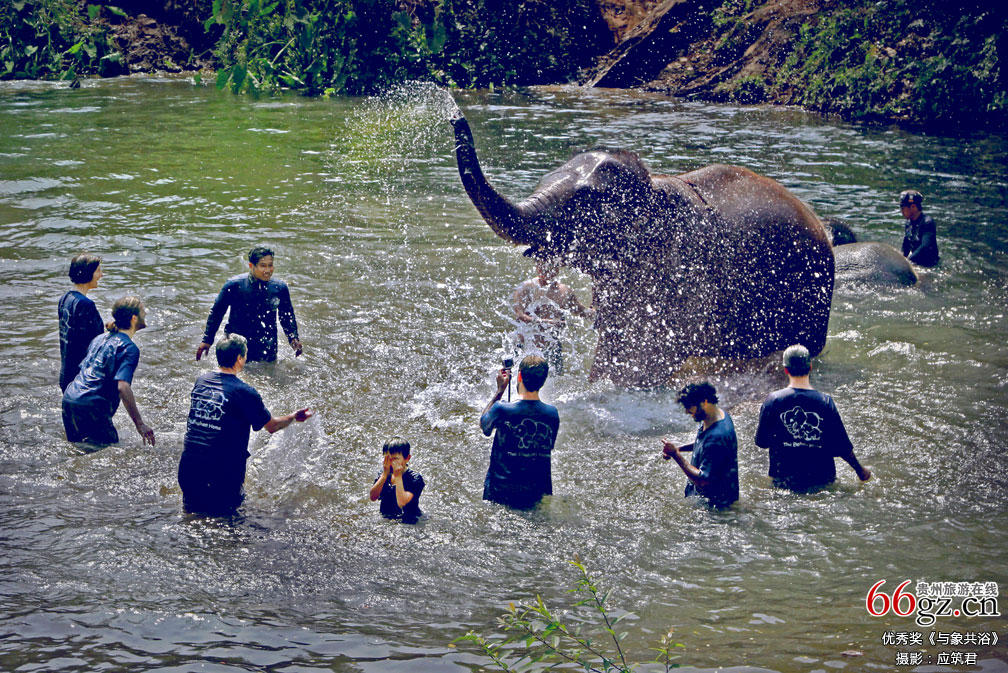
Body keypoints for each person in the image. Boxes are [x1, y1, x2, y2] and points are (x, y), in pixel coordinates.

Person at [178, 334, 312, 515]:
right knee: (228, 521)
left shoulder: (201, 382)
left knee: (191, 516)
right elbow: (272, 426)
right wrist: (294, 416)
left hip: (188, 468)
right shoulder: (244, 392)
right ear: (239, 358)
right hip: (222, 474)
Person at [754, 344, 872, 491]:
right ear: (810, 367)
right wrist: (860, 471)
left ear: (785, 370)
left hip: (784, 481)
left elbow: (762, 442)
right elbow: (842, 446)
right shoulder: (825, 402)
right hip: (821, 481)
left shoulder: (773, 401)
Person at [61, 296, 156, 448]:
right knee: (106, 450)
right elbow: (123, 387)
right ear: (134, 318)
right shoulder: (129, 348)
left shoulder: (100, 338)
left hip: (70, 398)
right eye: (142, 311)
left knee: (77, 450)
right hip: (91, 405)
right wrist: (140, 424)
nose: (145, 314)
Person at [195, 246, 302, 363]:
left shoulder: (279, 288)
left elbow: (286, 316)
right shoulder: (234, 285)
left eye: (270, 265)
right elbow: (217, 313)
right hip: (237, 344)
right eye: (263, 266)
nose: (267, 270)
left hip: (267, 345)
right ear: (251, 266)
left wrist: (293, 338)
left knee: (268, 372)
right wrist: (207, 340)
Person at [480, 354, 559, 509]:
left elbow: (485, 426)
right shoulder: (552, 414)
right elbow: (548, 446)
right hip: (535, 493)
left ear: (520, 376)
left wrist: (499, 391)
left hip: (500, 492)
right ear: (543, 381)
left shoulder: (501, 409)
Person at [661, 382, 738, 509]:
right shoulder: (718, 416)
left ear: (704, 402)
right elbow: (704, 445)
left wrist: (676, 454)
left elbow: (704, 482)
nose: (687, 411)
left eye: (689, 407)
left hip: (714, 507)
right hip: (717, 498)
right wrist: (679, 448)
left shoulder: (717, 436)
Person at [511, 256, 593, 375]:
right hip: (528, 344)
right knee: (521, 379)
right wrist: (546, 322)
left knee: (556, 379)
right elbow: (519, 315)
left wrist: (599, 312)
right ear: (537, 267)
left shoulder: (564, 291)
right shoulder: (526, 288)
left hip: (552, 345)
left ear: (557, 269)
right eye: (541, 265)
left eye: (549, 266)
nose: (544, 269)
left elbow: (581, 311)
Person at [58, 253, 105, 392]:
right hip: (83, 379)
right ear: (87, 273)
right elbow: (96, 343)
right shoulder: (86, 305)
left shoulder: (65, 298)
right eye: (98, 271)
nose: (101, 275)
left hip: (66, 374)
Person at [368, 436, 425, 523]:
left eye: (395, 459)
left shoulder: (415, 478)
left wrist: (398, 476)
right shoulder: (384, 473)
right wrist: (384, 475)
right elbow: (373, 497)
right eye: (387, 459)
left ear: (407, 458)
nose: (390, 463)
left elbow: (402, 502)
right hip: (386, 517)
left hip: (409, 521)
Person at [899, 190, 940, 267]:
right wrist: (900, 259)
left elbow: (925, 246)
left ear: (913, 207)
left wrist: (907, 261)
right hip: (915, 261)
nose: (901, 211)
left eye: (903, 208)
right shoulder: (909, 223)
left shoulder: (927, 223)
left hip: (929, 265)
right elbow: (906, 246)